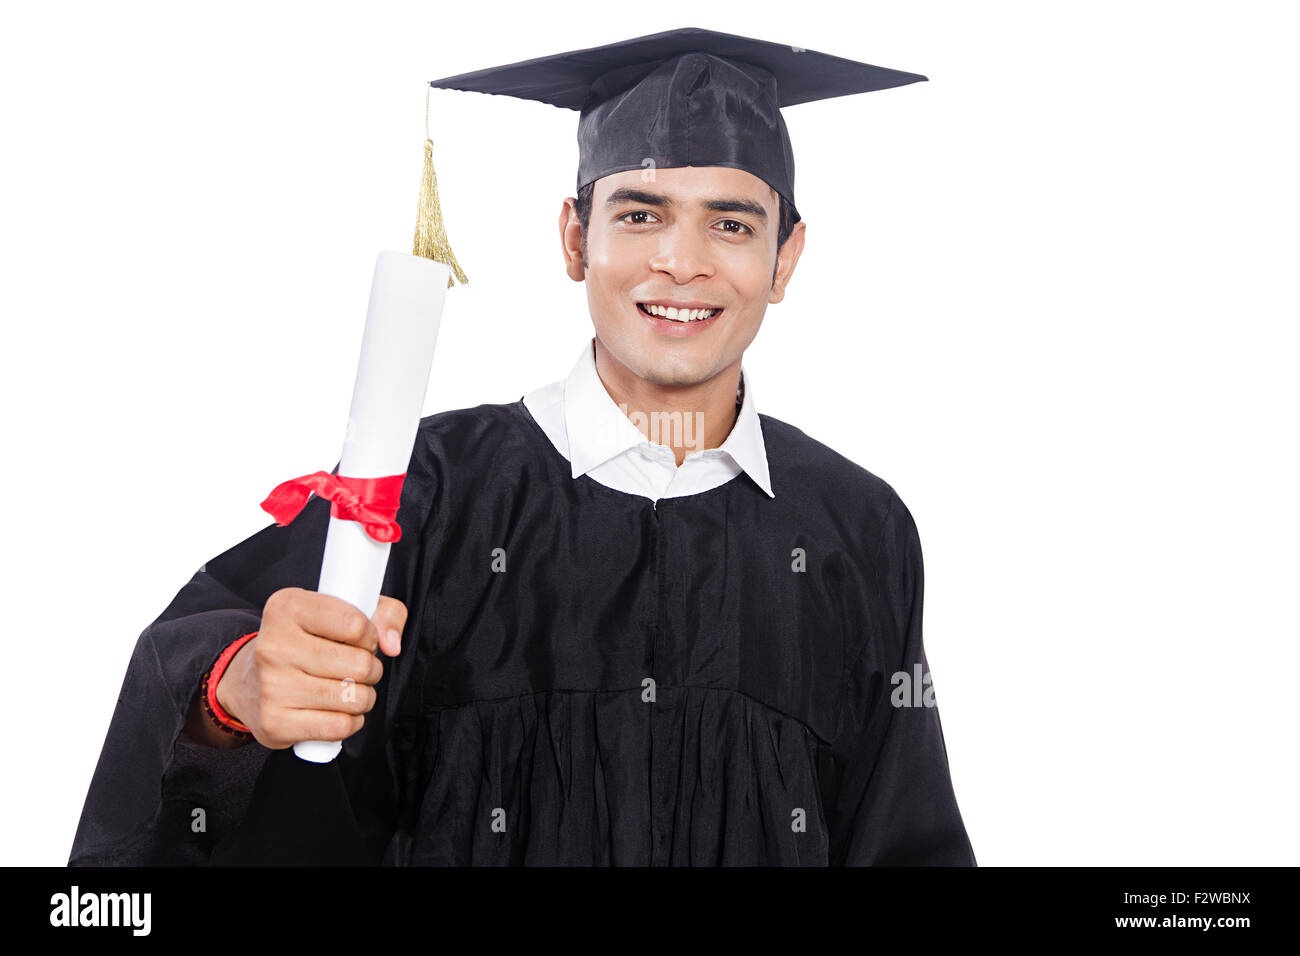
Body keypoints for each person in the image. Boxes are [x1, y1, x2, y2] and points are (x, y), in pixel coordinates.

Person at [69, 27, 976, 866]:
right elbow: (211, 662)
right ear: (576, 238)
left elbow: (901, 830)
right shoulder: (421, 488)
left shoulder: (856, 528)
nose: (683, 262)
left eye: (732, 223)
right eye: (640, 214)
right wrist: (235, 696)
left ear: (785, 259)